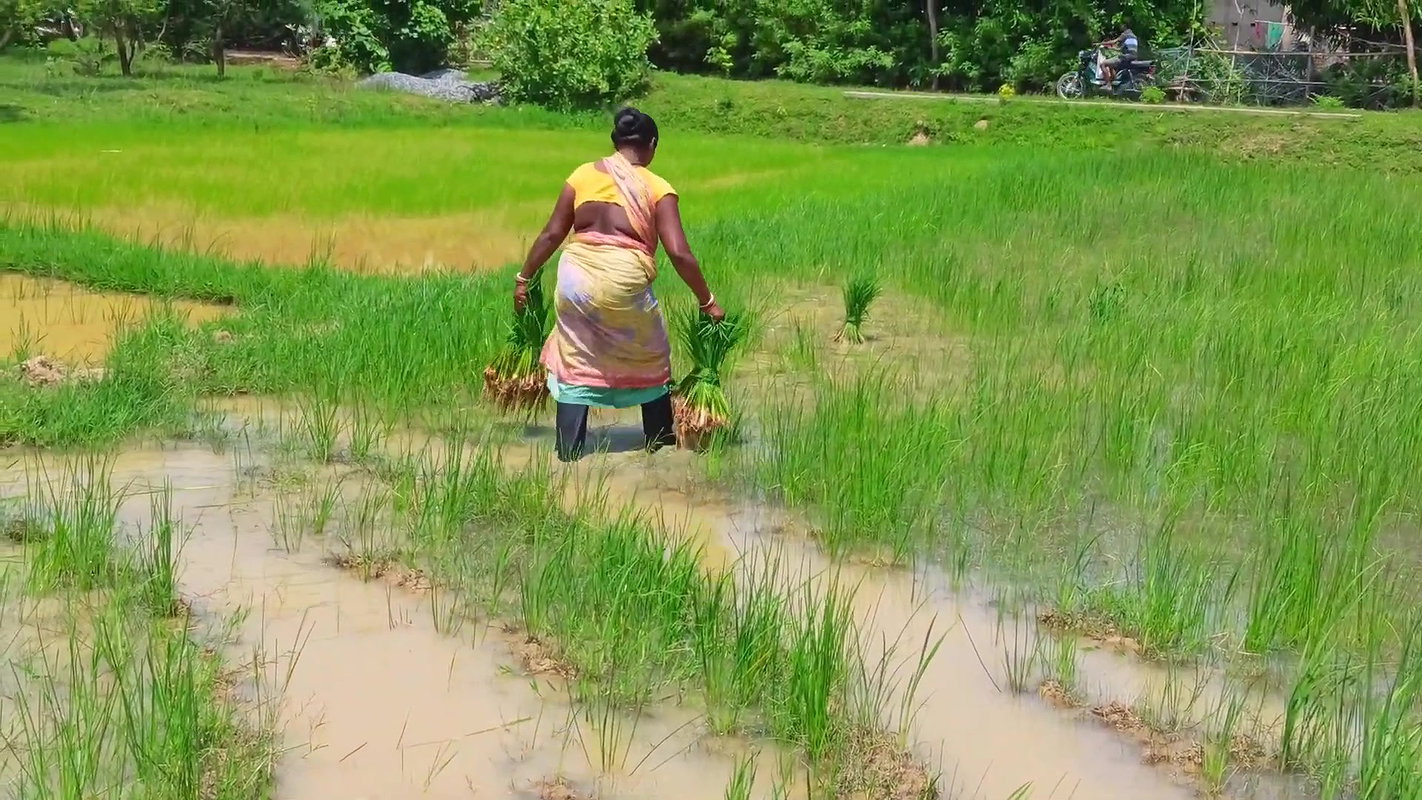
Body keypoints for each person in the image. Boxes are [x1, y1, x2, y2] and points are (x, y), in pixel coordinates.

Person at [513, 107, 725, 462]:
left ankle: (568, 453)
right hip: (624, 280)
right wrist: (707, 301)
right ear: (652, 144)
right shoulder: (657, 187)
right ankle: (659, 445)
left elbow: (553, 234)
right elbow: (679, 252)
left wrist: (524, 279)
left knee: (576, 353)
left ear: (616, 142)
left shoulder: (581, 176)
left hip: (575, 279)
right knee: (650, 351)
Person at [1098, 25, 1140, 91]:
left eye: (1122, 25)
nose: (1120, 27)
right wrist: (1111, 48)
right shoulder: (1133, 36)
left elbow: (1114, 41)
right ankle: (1113, 82)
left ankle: (1108, 85)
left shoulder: (1125, 34)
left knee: (1103, 64)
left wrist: (1101, 43)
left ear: (1125, 27)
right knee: (1111, 65)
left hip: (1125, 57)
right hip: (1133, 56)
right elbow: (1120, 49)